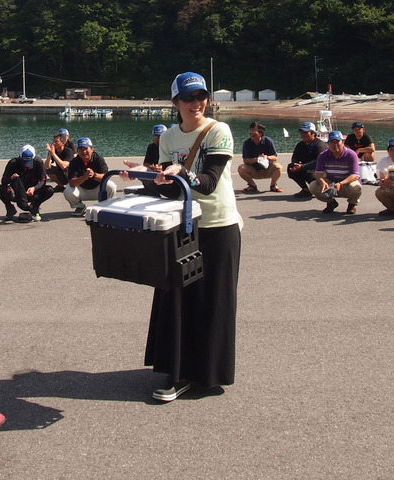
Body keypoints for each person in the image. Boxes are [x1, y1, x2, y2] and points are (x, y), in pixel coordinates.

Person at [121, 71, 241, 402]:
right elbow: (169, 190)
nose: (196, 103)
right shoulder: (169, 137)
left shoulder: (218, 131)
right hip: (182, 224)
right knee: (175, 297)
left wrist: (183, 172)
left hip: (218, 225)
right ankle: (176, 373)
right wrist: (144, 177)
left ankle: (207, 373)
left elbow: (209, 181)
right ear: (175, 102)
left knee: (213, 301)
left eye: (201, 96)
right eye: (188, 98)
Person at [309, 130, 361, 214]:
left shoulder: (351, 155)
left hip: (346, 183)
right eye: (332, 142)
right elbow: (318, 174)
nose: (334, 144)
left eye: (337, 141)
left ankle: (352, 204)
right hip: (331, 181)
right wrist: (323, 183)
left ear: (343, 142)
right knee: (313, 186)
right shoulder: (323, 155)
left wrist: (340, 184)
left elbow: (354, 175)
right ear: (328, 144)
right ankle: (331, 203)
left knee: (356, 187)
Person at [0, 144, 54, 222]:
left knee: (49, 190)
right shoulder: (13, 163)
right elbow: (3, 181)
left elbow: (43, 181)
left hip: (31, 192)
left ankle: (35, 206)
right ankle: (10, 208)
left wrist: (34, 188)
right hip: (17, 193)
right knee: (1, 189)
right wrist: (11, 178)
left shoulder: (38, 162)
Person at [64, 137, 116, 216]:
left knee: (111, 186)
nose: (84, 152)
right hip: (82, 191)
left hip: (98, 190)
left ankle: (104, 205)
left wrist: (94, 175)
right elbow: (71, 182)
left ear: (91, 149)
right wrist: (84, 177)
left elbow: (106, 177)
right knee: (68, 191)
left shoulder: (98, 159)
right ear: (78, 151)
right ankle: (80, 206)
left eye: (86, 148)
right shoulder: (74, 162)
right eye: (81, 149)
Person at [238, 121, 283, 193]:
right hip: (253, 170)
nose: (251, 133)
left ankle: (273, 185)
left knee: (278, 167)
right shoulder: (247, 143)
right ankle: (252, 186)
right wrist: (257, 159)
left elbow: (275, 157)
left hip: (267, 169)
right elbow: (245, 160)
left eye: (254, 131)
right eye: (250, 130)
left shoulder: (268, 141)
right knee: (241, 168)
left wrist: (266, 157)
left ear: (260, 133)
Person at [287, 121, 327, 198]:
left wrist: (302, 167)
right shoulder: (300, 145)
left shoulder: (319, 145)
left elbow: (318, 162)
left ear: (313, 133)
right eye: (302, 132)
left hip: (318, 171)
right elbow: (295, 156)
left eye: (306, 132)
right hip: (305, 168)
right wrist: (295, 165)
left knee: (312, 175)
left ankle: (321, 188)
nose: (303, 134)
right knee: (290, 167)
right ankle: (305, 190)